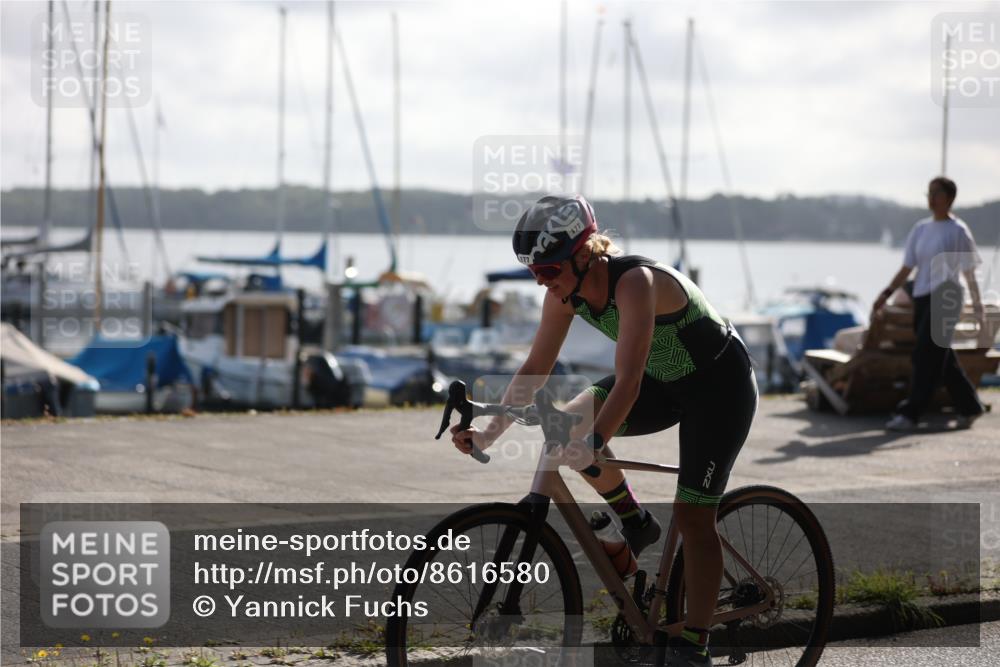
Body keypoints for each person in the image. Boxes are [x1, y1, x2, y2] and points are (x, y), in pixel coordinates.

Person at [451, 194, 758, 666]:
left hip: (718, 388)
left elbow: (629, 383)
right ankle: (635, 521)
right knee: (561, 428)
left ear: (583, 253)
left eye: (548, 270)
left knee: (694, 515)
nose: (540, 281)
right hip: (664, 382)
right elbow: (535, 369)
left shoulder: (635, 282)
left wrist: (594, 444)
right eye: (533, 271)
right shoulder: (565, 293)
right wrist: (489, 435)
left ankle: (695, 646)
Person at [875, 176, 985, 431]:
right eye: (929, 192)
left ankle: (911, 414)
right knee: (942, 358)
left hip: (947, 299)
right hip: (923, 298)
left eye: (936, 193)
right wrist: (886, 294)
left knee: (924, 355)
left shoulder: (958, 231)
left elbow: (969, 272)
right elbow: (907, 267)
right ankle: (970, 407)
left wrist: (977, 304)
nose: (931, 197)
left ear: (949, 198)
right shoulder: (921, 229)